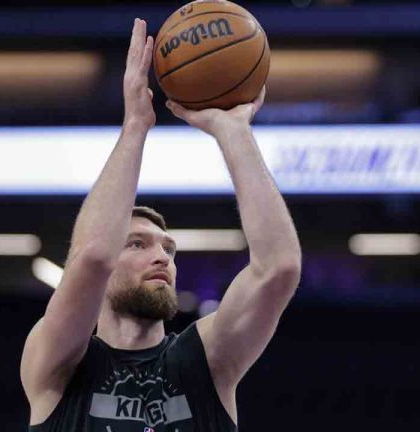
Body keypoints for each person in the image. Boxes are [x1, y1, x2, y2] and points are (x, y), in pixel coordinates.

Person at [20, 18, 301, 432]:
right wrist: (135, 126)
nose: (161, 257)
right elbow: (93, 256)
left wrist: (234, 130)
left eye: (168, 249)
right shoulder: (58, 363)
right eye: (137, 244)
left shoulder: (206, 361)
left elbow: (279, 268)